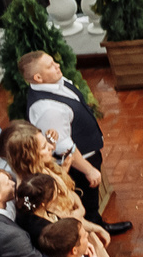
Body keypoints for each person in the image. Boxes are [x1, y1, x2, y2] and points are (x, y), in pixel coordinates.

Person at [17, 50, 130, 231]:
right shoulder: (48, 109)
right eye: (50, 66)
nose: (57, 66)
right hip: (78, 164)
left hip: (87, 152)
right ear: (38, 77)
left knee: (92, 203)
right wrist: (89, 170)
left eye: (54, 62)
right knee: (86, 204)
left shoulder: (57, 83)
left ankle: (99, 226)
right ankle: (95, 237)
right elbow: (63, 146)